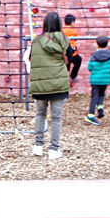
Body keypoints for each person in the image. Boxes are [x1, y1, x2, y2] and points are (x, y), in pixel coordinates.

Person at [28, 11, 72, 159]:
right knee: (56, 118)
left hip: (40, 84)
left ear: (45, 24)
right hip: (58, 83)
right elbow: (70, 58)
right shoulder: (64, 39)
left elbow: (30, 58)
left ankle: (38, 146)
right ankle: (54, 149)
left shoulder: (36, 41)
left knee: (40, 115)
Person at [84, 34, 110, 125]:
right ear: (107, 44)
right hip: (105, 79)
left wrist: (94, 72)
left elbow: (89, 67)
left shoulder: (93, 56)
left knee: (94, 96)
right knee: (101, 94)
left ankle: (90, 114)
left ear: (97, 44)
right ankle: (100, 107)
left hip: (95, 79)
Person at [62, 13, 83, 81]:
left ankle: (66, 78)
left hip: (65, 51)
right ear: (72, 22)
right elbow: (75, 39)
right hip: (73, 52)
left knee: (67, 65)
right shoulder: (74, 31)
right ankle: (73, 76)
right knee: (78, 61)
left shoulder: (62, 30)